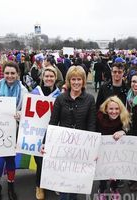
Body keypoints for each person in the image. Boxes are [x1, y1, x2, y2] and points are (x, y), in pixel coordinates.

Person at [48, 65, 96, 200]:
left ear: (83, 81)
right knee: (63, 183)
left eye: (79, 79)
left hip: (81, 147)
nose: (76, 82)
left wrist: (92, 148)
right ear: (68, 81)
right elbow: (53, 122)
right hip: (63, 146)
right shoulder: (61, 99)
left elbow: (91, 124)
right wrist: (46, 143)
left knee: (75, 182)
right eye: (73, 79)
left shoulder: (90, 99)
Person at [0, 61, 28, 200]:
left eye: (12, 73)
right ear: (3, 73)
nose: (10, 76)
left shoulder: (23, 90)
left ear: (17, 74)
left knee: (11, 161)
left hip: (13, 131)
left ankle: (10, 185)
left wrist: (20, 113)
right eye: (7, 73)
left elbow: (27, 110)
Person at [31, 66, 61, 200]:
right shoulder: (35, 92)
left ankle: (53, 182)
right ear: (42, 77)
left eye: (51, 76)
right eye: (46, 76)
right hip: (37, 133)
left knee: (53, 160)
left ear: (55, 78)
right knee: (40, 161)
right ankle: (39, 185)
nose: (49, 78)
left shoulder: (60, 95)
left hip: (53, 132)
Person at [97, 96, 131, 200]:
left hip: (118, 152)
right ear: (106, 109)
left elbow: (130, 130)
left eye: (117, 109)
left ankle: (114, 188)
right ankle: (102, 189)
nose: (114, 111)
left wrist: (123, 132)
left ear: (120, 109)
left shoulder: (124, 117)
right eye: (111, 109)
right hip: (102, 149)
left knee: (116, 171)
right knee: (102, 171)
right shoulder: (98, 117)